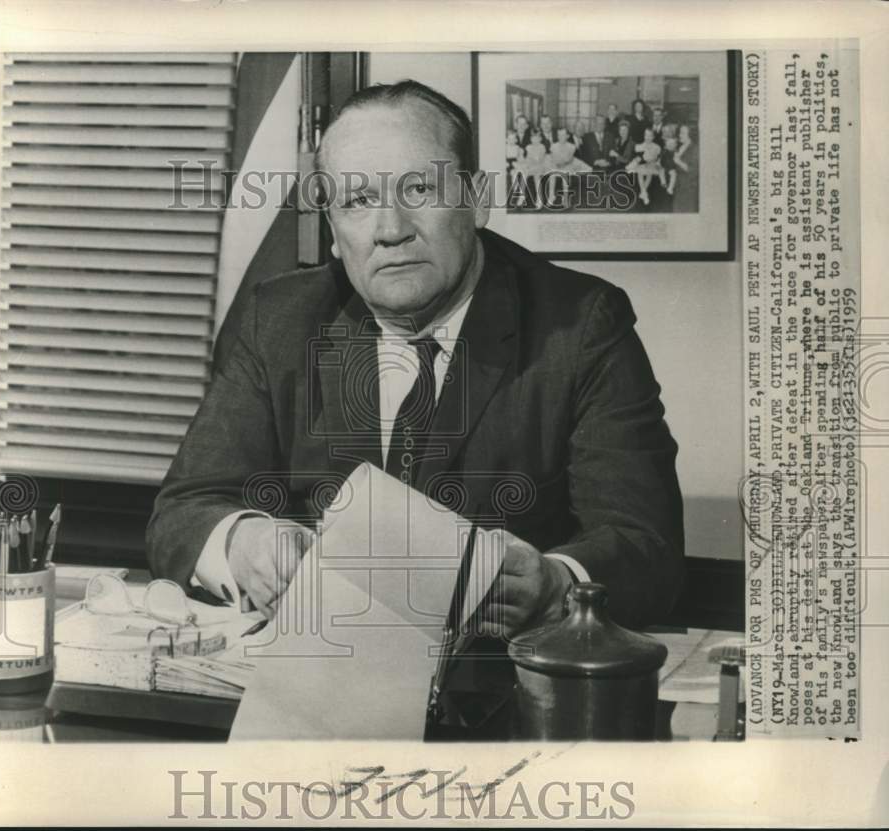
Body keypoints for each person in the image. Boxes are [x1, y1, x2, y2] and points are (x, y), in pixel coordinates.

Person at [147, 80, 684, 636]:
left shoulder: (580, 324)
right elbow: (185, 510)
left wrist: (555, 584)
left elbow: (647, 546)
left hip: (497, 690)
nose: (390, 230)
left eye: (419, 190)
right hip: (319, 677)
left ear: (476, 201)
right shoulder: (279, 319)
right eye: (357, 201)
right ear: (332, 230)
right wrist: (242, 542)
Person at [627, 127, 665, 205]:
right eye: (646, 135)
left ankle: (643, 193)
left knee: (649, 174)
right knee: (640, 172)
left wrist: (655, 161)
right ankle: (644, 192)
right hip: (642, 165)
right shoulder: (639, 146)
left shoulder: (657, 147)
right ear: (644, 136)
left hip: (651, 165)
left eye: (650, 136)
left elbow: (658, 158)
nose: (647, 137)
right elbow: (638, 157)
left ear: (653, 137)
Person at [672, 123, 699, 212]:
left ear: (690, 134)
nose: (679, 135)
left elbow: (694, 171)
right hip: (679, 188)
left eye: (683, 133)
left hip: (688, 190)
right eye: (680, 132)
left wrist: (678, 162)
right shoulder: (680, 147)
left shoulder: (695, 149)